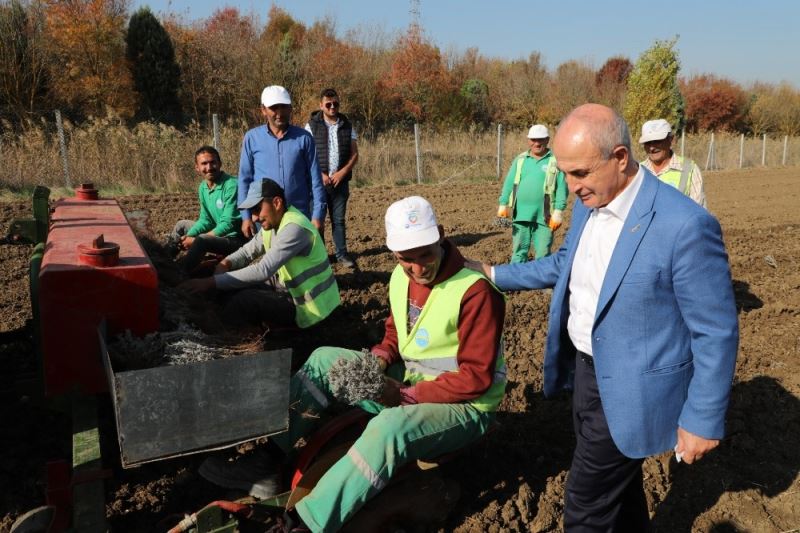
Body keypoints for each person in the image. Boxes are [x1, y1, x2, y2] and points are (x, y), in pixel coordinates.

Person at [467, 104, 738, 531]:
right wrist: (494, 272)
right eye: (565, 173)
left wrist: (702, 417)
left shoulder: (684, 225)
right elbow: (563, 265)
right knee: (620, 490)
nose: (571, 187)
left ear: (620, 157)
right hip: (586, 374)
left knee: (584, 508)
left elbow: (716, 330)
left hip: (634, 387)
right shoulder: (589, 203)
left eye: (580, 173)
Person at [199, 195, 507, 532]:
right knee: (323, 361)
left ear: (442, 236)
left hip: (465, 406)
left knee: (389, 430)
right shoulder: (401, 279)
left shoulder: (475, 292)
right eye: (407, 259)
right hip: (409, 385)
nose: (419, 268)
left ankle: (304, 522)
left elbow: (477, 378)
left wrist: (406, 396)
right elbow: (395, 334)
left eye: (426, 254)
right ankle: (268, 461)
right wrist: (379, 360)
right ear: (394, 254)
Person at [180, 179, 339, 330]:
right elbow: (247, 252)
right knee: (230, 288)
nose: (254, 217)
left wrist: (210, 282)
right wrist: (225, 264)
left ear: (277, 203)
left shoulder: (294, 228)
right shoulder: (274, 224)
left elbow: (263, 270)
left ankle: (222, 337)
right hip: (287, 286)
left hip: (310, 306)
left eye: (257, 209)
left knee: (244, 301)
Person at [238, 85, 326, 239]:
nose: (279, 113)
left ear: (290, 108)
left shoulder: (304, 138)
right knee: (271, 260)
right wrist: (246, 217)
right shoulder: (252, 138)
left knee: (301, 261)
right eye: (274, 108)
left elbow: (316, 180)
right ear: (263, 110)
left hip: (298, 215)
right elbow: (244, 179)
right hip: (265, 217)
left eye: (284, 107)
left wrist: (318, 215)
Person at [305, 88, 359, 268]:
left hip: (340, 183)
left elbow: (354, 154)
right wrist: (320, 175)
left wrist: (341, 173)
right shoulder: (311, 126)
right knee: (317, 221)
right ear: (321, 105)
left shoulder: (347, 125)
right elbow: (306, 155)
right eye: (328, 104)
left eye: (335, 103)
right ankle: (320, 256)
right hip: (317, 184)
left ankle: (341, 254)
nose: (332, 107)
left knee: (339, 220)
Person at [497, 124, 568, 262]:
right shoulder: (521, 160)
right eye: (533, 140)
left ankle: (540, 282)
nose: (536, 143)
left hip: (545, 217)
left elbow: (561, 188)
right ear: (528, 140)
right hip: (521, 215)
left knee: (542, 253)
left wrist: (558, 211)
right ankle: (515, 280)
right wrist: (503, 203)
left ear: (547, 140)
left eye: (540, 140)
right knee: (519, 252)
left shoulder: (555, 161)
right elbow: (509, 182)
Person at [171, 146, 246, 274]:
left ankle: (180, 274)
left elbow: (228, 224)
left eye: (213, 162)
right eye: (204, 164)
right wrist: (188, 236)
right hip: (217, 233)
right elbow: (206, 220)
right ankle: (165, 261)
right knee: (182, 225)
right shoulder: (203, 188)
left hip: (235, 240)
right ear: (197, 167)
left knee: (202, 241)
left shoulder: (232, 185)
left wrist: (194, 240)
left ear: (220, 163)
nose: (209, 167)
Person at [639, 119, 707, 208]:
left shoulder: (689, 169)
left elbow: (699, 211)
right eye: (648, 142)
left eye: (657, 141)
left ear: (671, 140)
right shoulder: (638, 171)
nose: (652, 147)